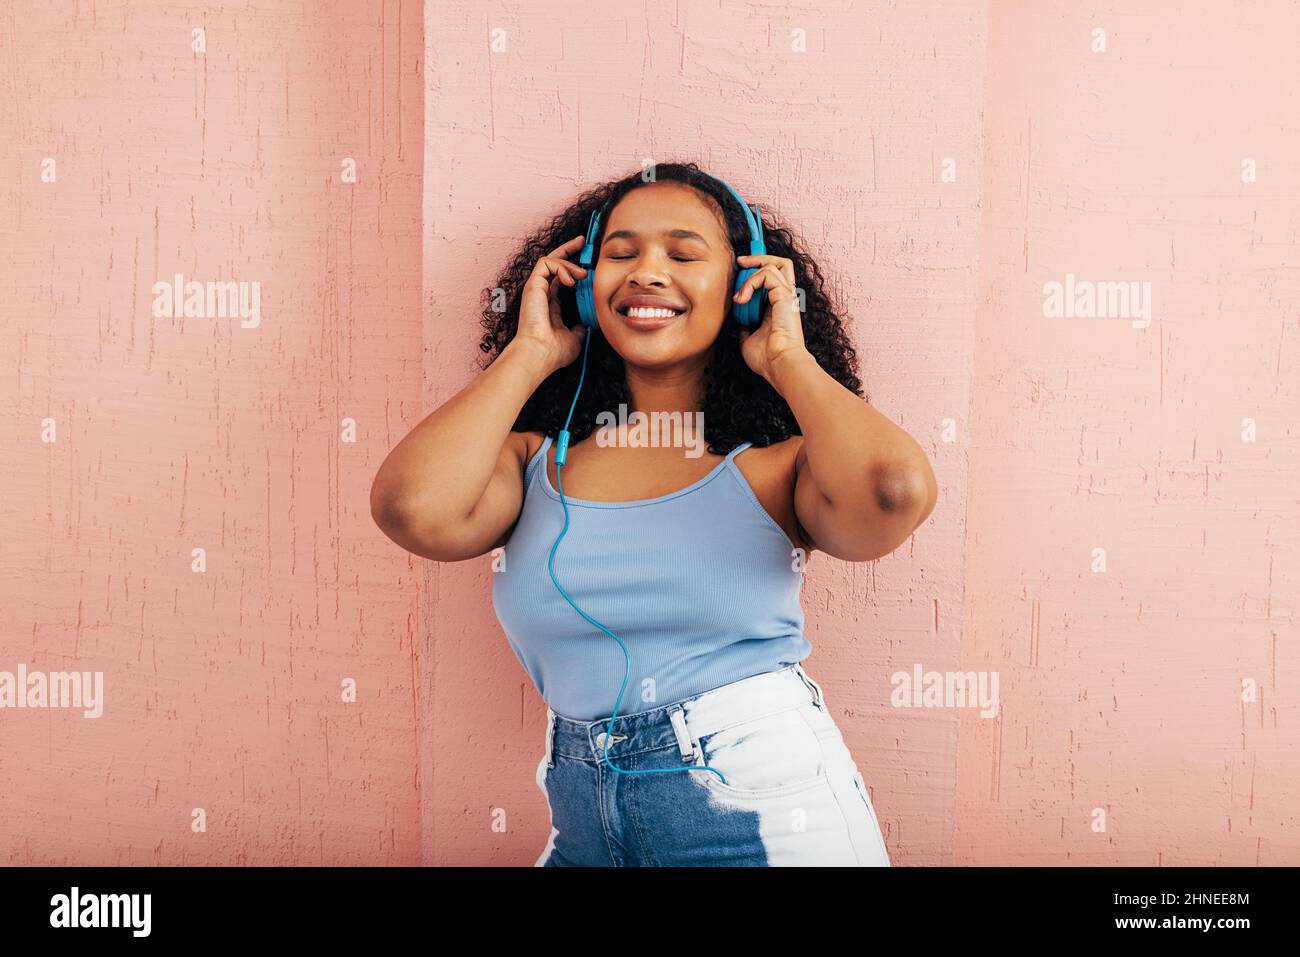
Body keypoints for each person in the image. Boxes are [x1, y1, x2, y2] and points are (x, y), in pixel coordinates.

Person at [370, 161, 937, 866]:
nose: (647, 271)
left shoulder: (776, 465)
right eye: (620, 253)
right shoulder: (533, 462)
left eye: (684, 253)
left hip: (762, 804)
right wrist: (532, 350)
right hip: (584, 811)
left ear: (744, 290)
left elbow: (894, 491)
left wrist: (784, 353)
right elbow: (408, 508)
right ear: (581, 287)